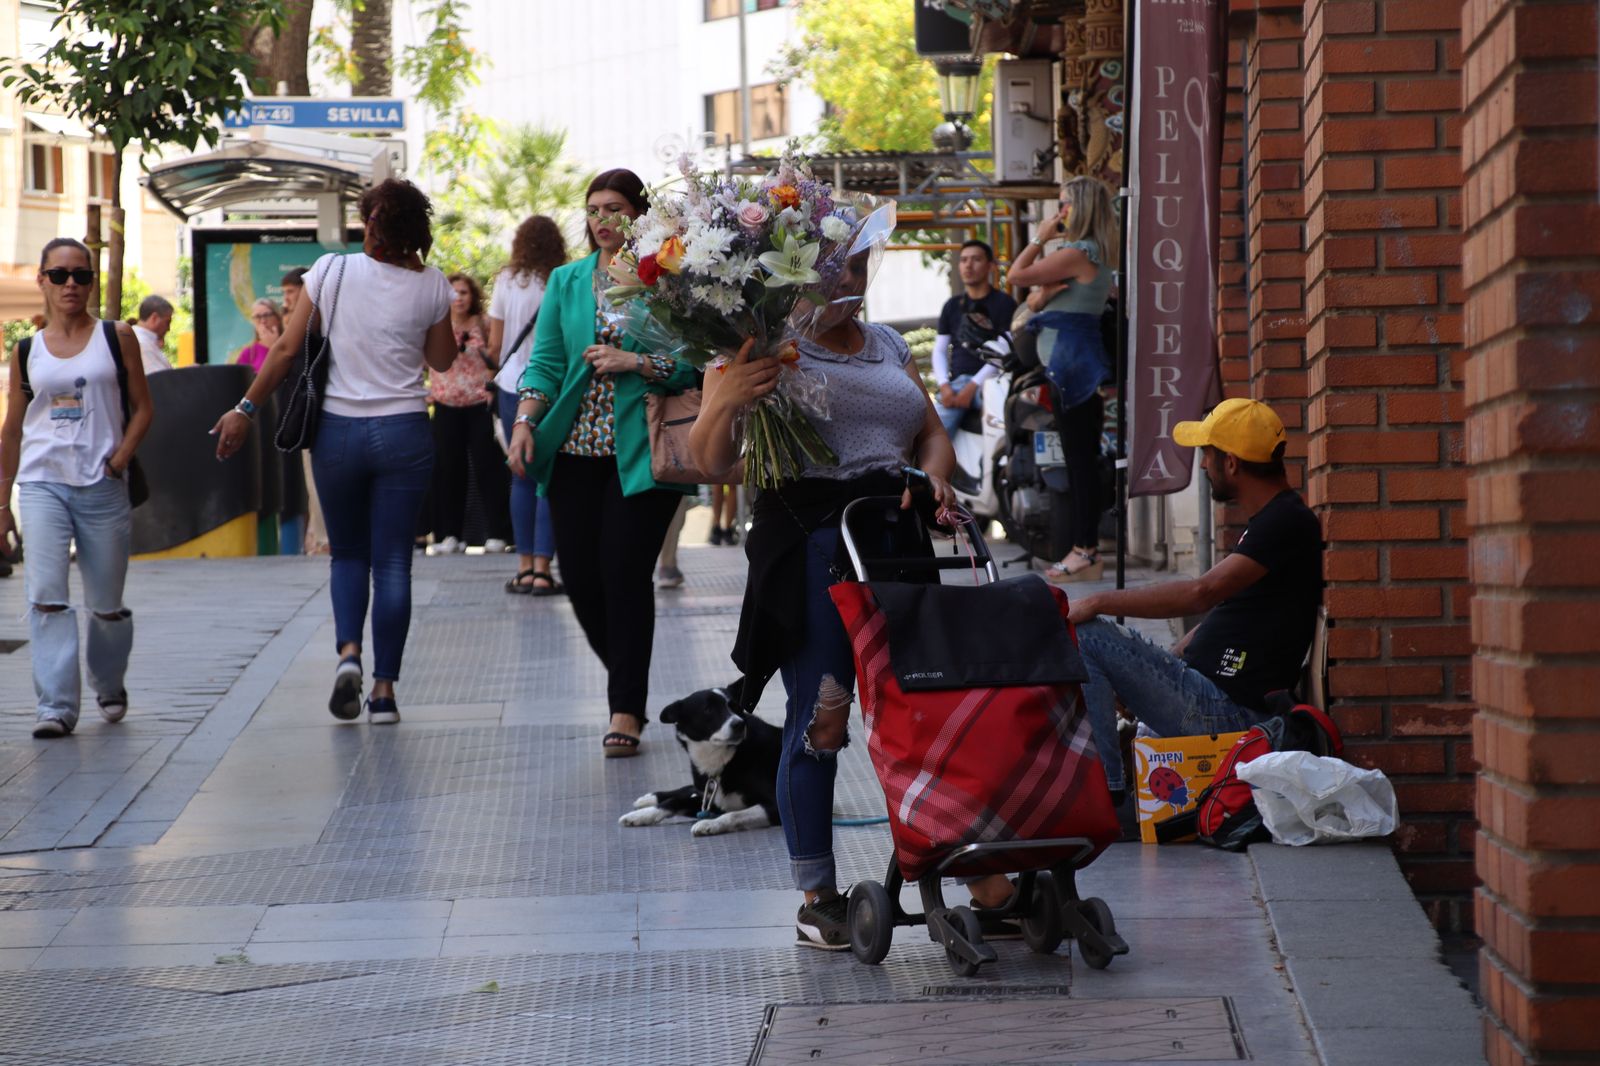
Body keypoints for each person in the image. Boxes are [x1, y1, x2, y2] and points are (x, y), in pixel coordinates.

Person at [689, 249, 959, 952]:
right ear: (792, 271)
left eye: (860, 268)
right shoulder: (760, 342)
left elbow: (931, 432)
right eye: (833, 269)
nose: (849, 283)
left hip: (896, 538)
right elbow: (708, 460)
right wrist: (725, 398)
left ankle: (968, 870)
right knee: (823, 713)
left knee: (921, 706)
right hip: (815, 542)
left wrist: (932, 478)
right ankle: (818, 896)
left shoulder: (887, 344)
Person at [212, 178, 457, 726]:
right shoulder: (433, 284)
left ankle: (349, 655)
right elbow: (441, 362)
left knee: (348, 555)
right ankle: (385, 693)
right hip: (404, 432)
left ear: (370, 222)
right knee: (394, 562)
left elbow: (284, 349)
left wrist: (245, 411)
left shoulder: (331, 272)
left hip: (339, 434)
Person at [506, 169, 700, 758]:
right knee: (583, 581)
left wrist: (636, 362)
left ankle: (625, 709)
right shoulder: (566, 281)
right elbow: (543, 362)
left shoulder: (666, 279)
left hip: (641, 456)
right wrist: (524, 421)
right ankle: (627, 681)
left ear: (638, 214)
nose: (602, 219)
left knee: (622, 574)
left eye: (615, 208)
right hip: (572, 454)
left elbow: (695, 368)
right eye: (594, 209)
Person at [0, 237, 153, 737]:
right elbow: (12, 430)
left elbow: (144, 408)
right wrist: (3, 504)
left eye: (81, 276)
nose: (71, 285)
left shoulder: (118, 336)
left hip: (103, 484)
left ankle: (109, 681)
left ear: (91, 281)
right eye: (60, 275)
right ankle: (56, 706)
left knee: (106, 604)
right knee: (46, 596)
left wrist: (121, 458)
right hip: (44, 482)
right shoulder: (26, 350)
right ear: (42, 280)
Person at [1006, 176, 1118, 582]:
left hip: (1071, 365)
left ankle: (1084, 552)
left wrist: (1038, 238)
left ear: (1082, 207)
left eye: (1065, 205)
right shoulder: (1094, 252)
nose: (1059, 213)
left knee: (1079, 463)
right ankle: (1083, 551)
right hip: (1075, 362)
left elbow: (1016, 276)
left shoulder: (1079, 252)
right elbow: (1036, 295)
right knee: (1080, 461)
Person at [488, 215, 565, 595]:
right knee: (547, 477)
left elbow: (495, 343)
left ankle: (521, 567)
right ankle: (542, 569)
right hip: (549, 385)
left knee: (519, 472)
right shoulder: (562, 279)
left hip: (509, 384)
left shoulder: (505, 281)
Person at [426, 272, 507, 556]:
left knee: (489, 469)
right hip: (446, 404)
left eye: (464, 292)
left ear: (472, 296)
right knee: (447, 471)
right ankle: (449, 534)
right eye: (454, 292)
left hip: (479, 404)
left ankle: (497, 533)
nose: (459, 298)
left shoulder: (484, 324)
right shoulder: (435, 325)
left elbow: (498, 355)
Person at [932, 240, 1017, 437]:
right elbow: (940, 349)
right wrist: (944, 385)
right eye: (963, 260)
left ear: (990, 266)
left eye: (976, 259)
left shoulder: (1004, 303)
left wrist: (972, 387)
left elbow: (1002, 352)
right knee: (934, 436)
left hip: (994, 382)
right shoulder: (952, 305)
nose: (968, 265)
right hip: (957, 384)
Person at [235, 299, 282, 373]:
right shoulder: (248, 353)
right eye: (257, 317)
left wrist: (272, 346)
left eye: (267, 315)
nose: (263, 321)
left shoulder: (290, 344)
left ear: (278, 318)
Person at [131, 295, 173, 376]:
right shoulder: (142, 343)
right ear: (154, 318)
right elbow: (159, 379)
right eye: (167, 322)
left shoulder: (140, 340)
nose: (168, 328)